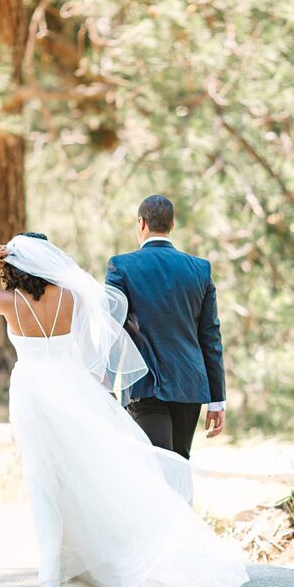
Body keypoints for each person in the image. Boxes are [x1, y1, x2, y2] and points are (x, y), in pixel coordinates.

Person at [0, 232, 248, 587]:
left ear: (12, 265)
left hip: (33, 392)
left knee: (43, 480)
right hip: (71, 387)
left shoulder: (7, 302)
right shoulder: (72, 297)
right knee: (86, 474)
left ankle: (51, 578)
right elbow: (95, 341)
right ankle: (95, 558)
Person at [105, 194, 225, 461]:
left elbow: (111, 328)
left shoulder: (121, 266)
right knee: (179, 463)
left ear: (142, 223)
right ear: (172, 225)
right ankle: (181, 504)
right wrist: (217, 399)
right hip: (189, 385)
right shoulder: (200, 269)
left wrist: (105, 381)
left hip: (144, 385)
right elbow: (210, 337)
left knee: (156, 467)